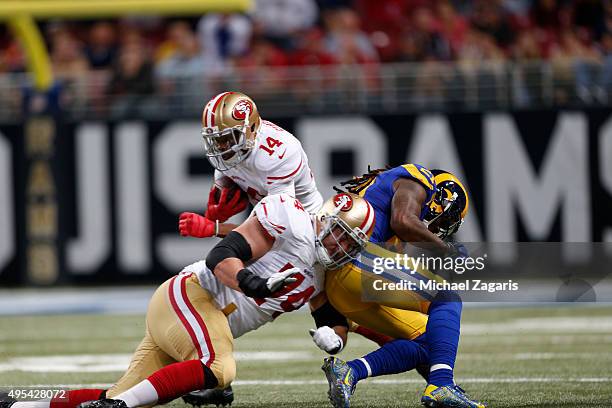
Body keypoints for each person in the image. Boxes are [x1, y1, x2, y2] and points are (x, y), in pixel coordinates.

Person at [2, 192, 375, 408]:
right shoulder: (288, 220)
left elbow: (327, 313)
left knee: (126, 394)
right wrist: (257, 284)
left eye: (350, 244)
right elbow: (220, 257)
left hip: (191, 326)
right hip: (192, 295)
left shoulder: (326, 272)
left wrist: (334, 337)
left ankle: (18, 401)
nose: (340, 247)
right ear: (325, 219)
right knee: (219, 370)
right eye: (339, 235)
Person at [312, 166, 486, 408]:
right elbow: (403, 220)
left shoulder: (384, 205)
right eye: (446, 218)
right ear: (442, 201)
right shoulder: (419, 179)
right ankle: (442, 385)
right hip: (357, 260)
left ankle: (350, 371)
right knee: (446, 298)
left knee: (432, 340)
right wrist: (447, 250)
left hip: (341, 289)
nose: (441, 228)